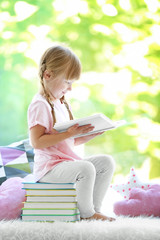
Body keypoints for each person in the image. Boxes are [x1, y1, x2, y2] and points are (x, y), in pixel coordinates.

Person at [27, 44, 115, 221]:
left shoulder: (60, 103)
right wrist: (68, 133)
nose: (70, 88)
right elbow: (36, 142)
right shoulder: (40, 104)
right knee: (86, 167)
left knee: (106, 162)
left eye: (72, 83)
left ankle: (94, 210)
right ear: (48, 75)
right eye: (67, 82)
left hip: (65, 164)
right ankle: (87, 214)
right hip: (48, 170)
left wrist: (88, 134)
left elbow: (66, 143)